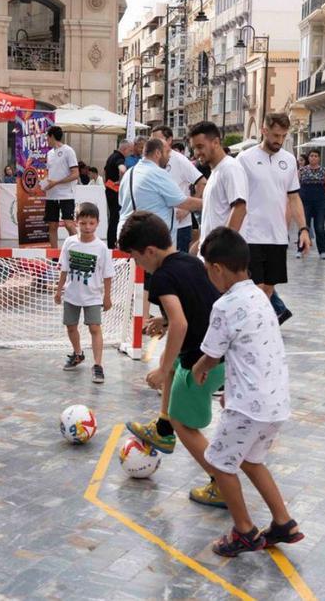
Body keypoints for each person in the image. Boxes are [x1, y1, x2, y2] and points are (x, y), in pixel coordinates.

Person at [192, 227, 303, 557]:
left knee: (220, 463)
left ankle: (244, 531)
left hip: (249, 407)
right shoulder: (260, 296)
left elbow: (213, 353)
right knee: (252, 461)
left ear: (217, 269)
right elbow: (251, 352)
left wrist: (199, 369)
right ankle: (283, 522)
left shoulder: (225, 305)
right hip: (275, 402)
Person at [119, 212, 228, 509]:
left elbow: (181, 324)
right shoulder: (190, 262)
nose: (137, 264)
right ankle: (162, 430)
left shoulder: (162, 277)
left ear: (150, 252)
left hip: (204, 364)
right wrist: (163, 322)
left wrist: (161, 367)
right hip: (222, 353)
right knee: (173, 359)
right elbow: (197, 307)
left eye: (136, 258)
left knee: (185, 423)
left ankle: (221, 484)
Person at [237, 113, 310, 325]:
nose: (279, 140)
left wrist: (303, 229)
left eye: (283, 136)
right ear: (264, 131)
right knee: (255, 288)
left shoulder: (288, 160)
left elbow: (294, 197)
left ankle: (255, 326)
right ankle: (250, 327)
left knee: (268, 288)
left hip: (278, 236)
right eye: (275, 135)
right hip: (250, 234)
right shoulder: (244, 159)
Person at [54, 202, 114, 384]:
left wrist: (107, 297)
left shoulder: (101, 248)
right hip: (72, 294)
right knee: (71, 326)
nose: (87, 227)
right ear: (76, 222)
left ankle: (98, 365)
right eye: (83, 223)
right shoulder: (69, 243)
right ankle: (78, 354)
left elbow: (108, 275)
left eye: (91, 223)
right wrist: (58, 290)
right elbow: (64, 269)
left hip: (93, 296)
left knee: (94, 328)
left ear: (97, 223)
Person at [116, 137, 203, 237]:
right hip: (150, 240)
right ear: (157, 153)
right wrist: (210, 202)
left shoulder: (130, 173)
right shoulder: (157, 174)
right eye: (167, 152)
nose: (169, 156)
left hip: (126, 234)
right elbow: (183, 202)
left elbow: (121, 202)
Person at [190, 121, 247, 253]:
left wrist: (222, 249)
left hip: (222, 257)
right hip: (210, 255)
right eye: (194, 148)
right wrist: (200, 245)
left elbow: (239, 208)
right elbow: (215, 217)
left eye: (200, 147)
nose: (197, 153)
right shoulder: (216, 171)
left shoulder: (230, 168)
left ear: (215, 142)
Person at [151, 125, 206, 253]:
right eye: (152, 139)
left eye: (158, 139)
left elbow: (202, 183)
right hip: (159, 224)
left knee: (177, 266)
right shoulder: (154, 160)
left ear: (169, 140)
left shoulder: (180, 160)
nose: (155, 143)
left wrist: (188, 209)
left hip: (179, 225)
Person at [42, 125, 79, 249]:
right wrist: (44, 183)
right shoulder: (49, 154)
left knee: (69, 224)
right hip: (51, 195)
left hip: (66, 194)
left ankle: (79, 250)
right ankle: (54, 256)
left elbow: (75, 174)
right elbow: (50, 173)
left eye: (47, 137)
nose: (46, 140)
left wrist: (56, 182)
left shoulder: (68, 151)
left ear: (51, 136)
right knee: (52, 225)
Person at [297, 149, 325, 259]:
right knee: (304, 225)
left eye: (316, 156)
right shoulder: (301, 171)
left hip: (320, 201)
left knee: (319, 226)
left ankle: (322, 250)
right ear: (308, 158)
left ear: (319, 158)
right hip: (305, 201)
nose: (313, 158)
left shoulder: (324, 171)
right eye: (311, 156)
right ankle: (300, 248)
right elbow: (297, 185)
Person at [103, 141, 136, 243]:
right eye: (130, 151)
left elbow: (104, 172)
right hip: (115, 192)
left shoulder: (111, 156)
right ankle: (113, 243)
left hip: (109, 190)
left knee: (113, 218)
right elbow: (122, 169)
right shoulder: (119, 158)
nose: (131, 154)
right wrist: (124, 180)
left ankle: (111, 242)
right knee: (116, 218)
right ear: (125, 149)